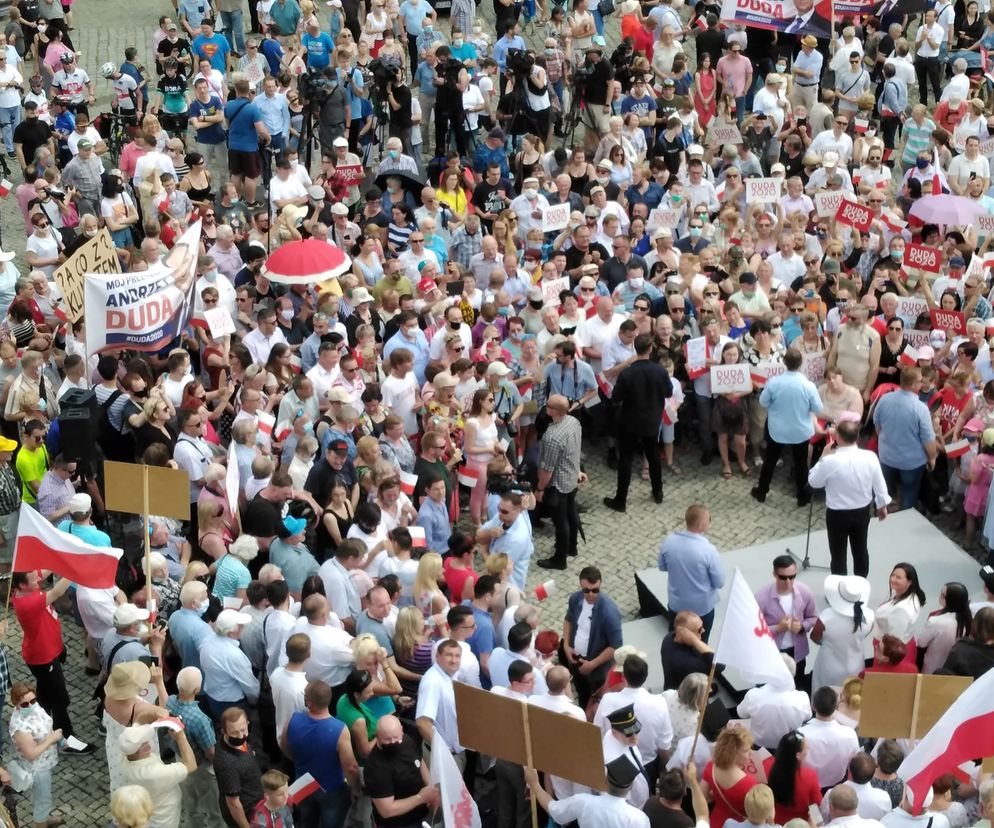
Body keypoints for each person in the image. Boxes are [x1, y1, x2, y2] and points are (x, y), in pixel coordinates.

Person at [808, 417, 890, 576]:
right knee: (860, 550)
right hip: (861, 511)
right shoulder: (870, 457)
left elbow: (814, 482)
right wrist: (882, 505)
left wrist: (822, 457)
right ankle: (861, 584)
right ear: (857, 436)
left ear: (837, 437)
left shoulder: (830, 461)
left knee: (838, 554)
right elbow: (879, 483)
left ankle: (839, 589)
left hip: (837, 513)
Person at [603, 332, 673, 512]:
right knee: (653, 457)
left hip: (630, 422)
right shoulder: (660, 371)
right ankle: (658, 492)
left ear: (635, 348)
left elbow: (616, 398)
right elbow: (668, 393)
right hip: (651, 421)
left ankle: (621, 500)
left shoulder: (627, 373)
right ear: (651, 349)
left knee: (625, 460)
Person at [751, 348, 823, 507]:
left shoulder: (774, 382)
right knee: (801, 463)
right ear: (801, 363)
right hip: (800, 430)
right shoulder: (808, 385)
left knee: (769, 461)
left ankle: (762, 491)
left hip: (778, 429)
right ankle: (802, 497)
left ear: (784, 363)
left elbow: (763, 402)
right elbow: (817, 408)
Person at [284, 679, 360, 826]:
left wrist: (297, 761)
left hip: (302, 782)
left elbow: (284, 744)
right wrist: (355, 788)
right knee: (331, 822)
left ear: (309, 702)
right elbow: (351, 767)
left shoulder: (293, 720)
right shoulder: (340, 729)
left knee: (306, 820)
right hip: (332, 788)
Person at [872, 367, 938, 511]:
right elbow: (928, 439)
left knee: (885, 492)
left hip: (887, 457)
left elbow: (877, 424)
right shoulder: (920, 408)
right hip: (911, 462)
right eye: (921, 381)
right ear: (915, 385)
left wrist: (885, 441)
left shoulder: (884, 399)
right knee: (909, 494)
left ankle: (882, 518)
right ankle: (905, 522)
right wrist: (932, 458)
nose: (922, 384)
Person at [656, 504, 725, 640]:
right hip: (701, 609)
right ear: (700, 525)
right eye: (709, 519)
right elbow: (719, 582)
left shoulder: (669, 542)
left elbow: (662, 566)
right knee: (701, 644)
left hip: (677, 605)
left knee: (675, 640)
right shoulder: (708, 550)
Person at [562, 566, 623, 710]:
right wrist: (566, 645)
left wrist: (592, 664)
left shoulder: (609, 612)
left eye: (595, 590)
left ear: (600, 585)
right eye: (586, 590)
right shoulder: (575, 599)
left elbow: (615, 646)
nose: (590, 594)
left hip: (597, 670)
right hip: (576, 661)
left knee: (598, 702)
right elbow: (568, 619)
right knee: (582, 694)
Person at [536, 393, 585, 570]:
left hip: (558, 484)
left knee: (560, 521)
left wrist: (540, 488)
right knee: (571, 514)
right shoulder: (574, 422)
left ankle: (560, 558)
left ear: (553, 411)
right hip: (571, 477)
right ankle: (572, 547)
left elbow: (548, 469)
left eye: (548, 405)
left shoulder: (552, 436)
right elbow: (575, 450)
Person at [119, 720, 198, 828]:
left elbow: (139, 720)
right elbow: (191, 765)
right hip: (164, 820)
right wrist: (181, 737)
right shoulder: (153, 774)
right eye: (146, 741)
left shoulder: (125, 757)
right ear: (144, 749)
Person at [754, 556, 818, 687]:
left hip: (797, 652)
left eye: (792, 576)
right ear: (774, 575)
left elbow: (813, 618)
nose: (788, 581)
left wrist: (801, 627)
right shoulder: (762, 597)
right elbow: (754, 628)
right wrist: (778, 628)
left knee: (796, 686)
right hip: (772, 652)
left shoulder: (805, 592)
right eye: (783, 578)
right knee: (768, 687)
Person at [365, 714, 439, 827]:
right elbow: (387, 810)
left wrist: (430, 787)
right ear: (377, 737)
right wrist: (421, 798)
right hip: (397, 823)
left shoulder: (407, 740)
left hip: (419, 815)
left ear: (402, 730)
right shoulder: (376, 768)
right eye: (387, 739)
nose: (393, 742)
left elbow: (419, 761)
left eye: (396, 737)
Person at [811, 575, 875, 691]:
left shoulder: (827, 616)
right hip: (856, 666)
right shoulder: (870, 616)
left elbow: (814, 636)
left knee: (825, 698)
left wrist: (828, 642)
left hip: (828, 667)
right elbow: (866, 634)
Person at [798, 687, 860, 790]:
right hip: (836, 784)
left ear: (813, 707)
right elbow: (854, 764)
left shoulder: (799, 734)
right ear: (836, 706)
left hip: (807, 785)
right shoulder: (850, 734)